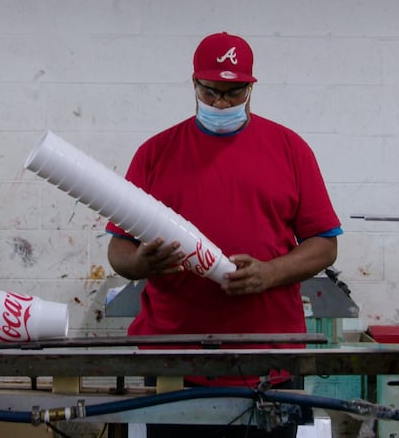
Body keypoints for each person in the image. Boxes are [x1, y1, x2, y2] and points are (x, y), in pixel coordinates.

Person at [105, 32, 342, 438]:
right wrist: (141, 263)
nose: (220, 104)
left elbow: (324, 245)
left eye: (233, 93)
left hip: (269, 363)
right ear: (194, 84)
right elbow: (117, 250)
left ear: (251, 88)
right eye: (210, 91)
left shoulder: (289, 149)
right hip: (175, 364)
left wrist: (270, 273)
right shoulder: (155, 153)